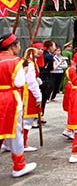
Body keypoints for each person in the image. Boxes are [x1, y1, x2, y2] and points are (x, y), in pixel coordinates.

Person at [0, 33, 37, 177]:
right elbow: (20, 83)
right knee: (15, 132)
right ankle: (19, 165)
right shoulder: (16, 61)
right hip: (9, 99)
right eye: (18, 44)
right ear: (12, 46)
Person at [21, 44, 44, 152]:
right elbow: (30, 81)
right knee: (27, 119)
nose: (41, 51)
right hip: (28, 92)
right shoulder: (29, 63)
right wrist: (38, 96)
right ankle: (23, 143)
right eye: (38, 49)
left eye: (42, 49)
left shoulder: (30, 62)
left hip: (25, 90)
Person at [39, 40, 56, 123]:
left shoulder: (42, 55)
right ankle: (40, 115)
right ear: (50, 47)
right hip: (45, 78)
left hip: (39, 77)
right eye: (54, 46)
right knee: (43, 97)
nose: (55, 48)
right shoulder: (49, 56)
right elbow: (51, 68)